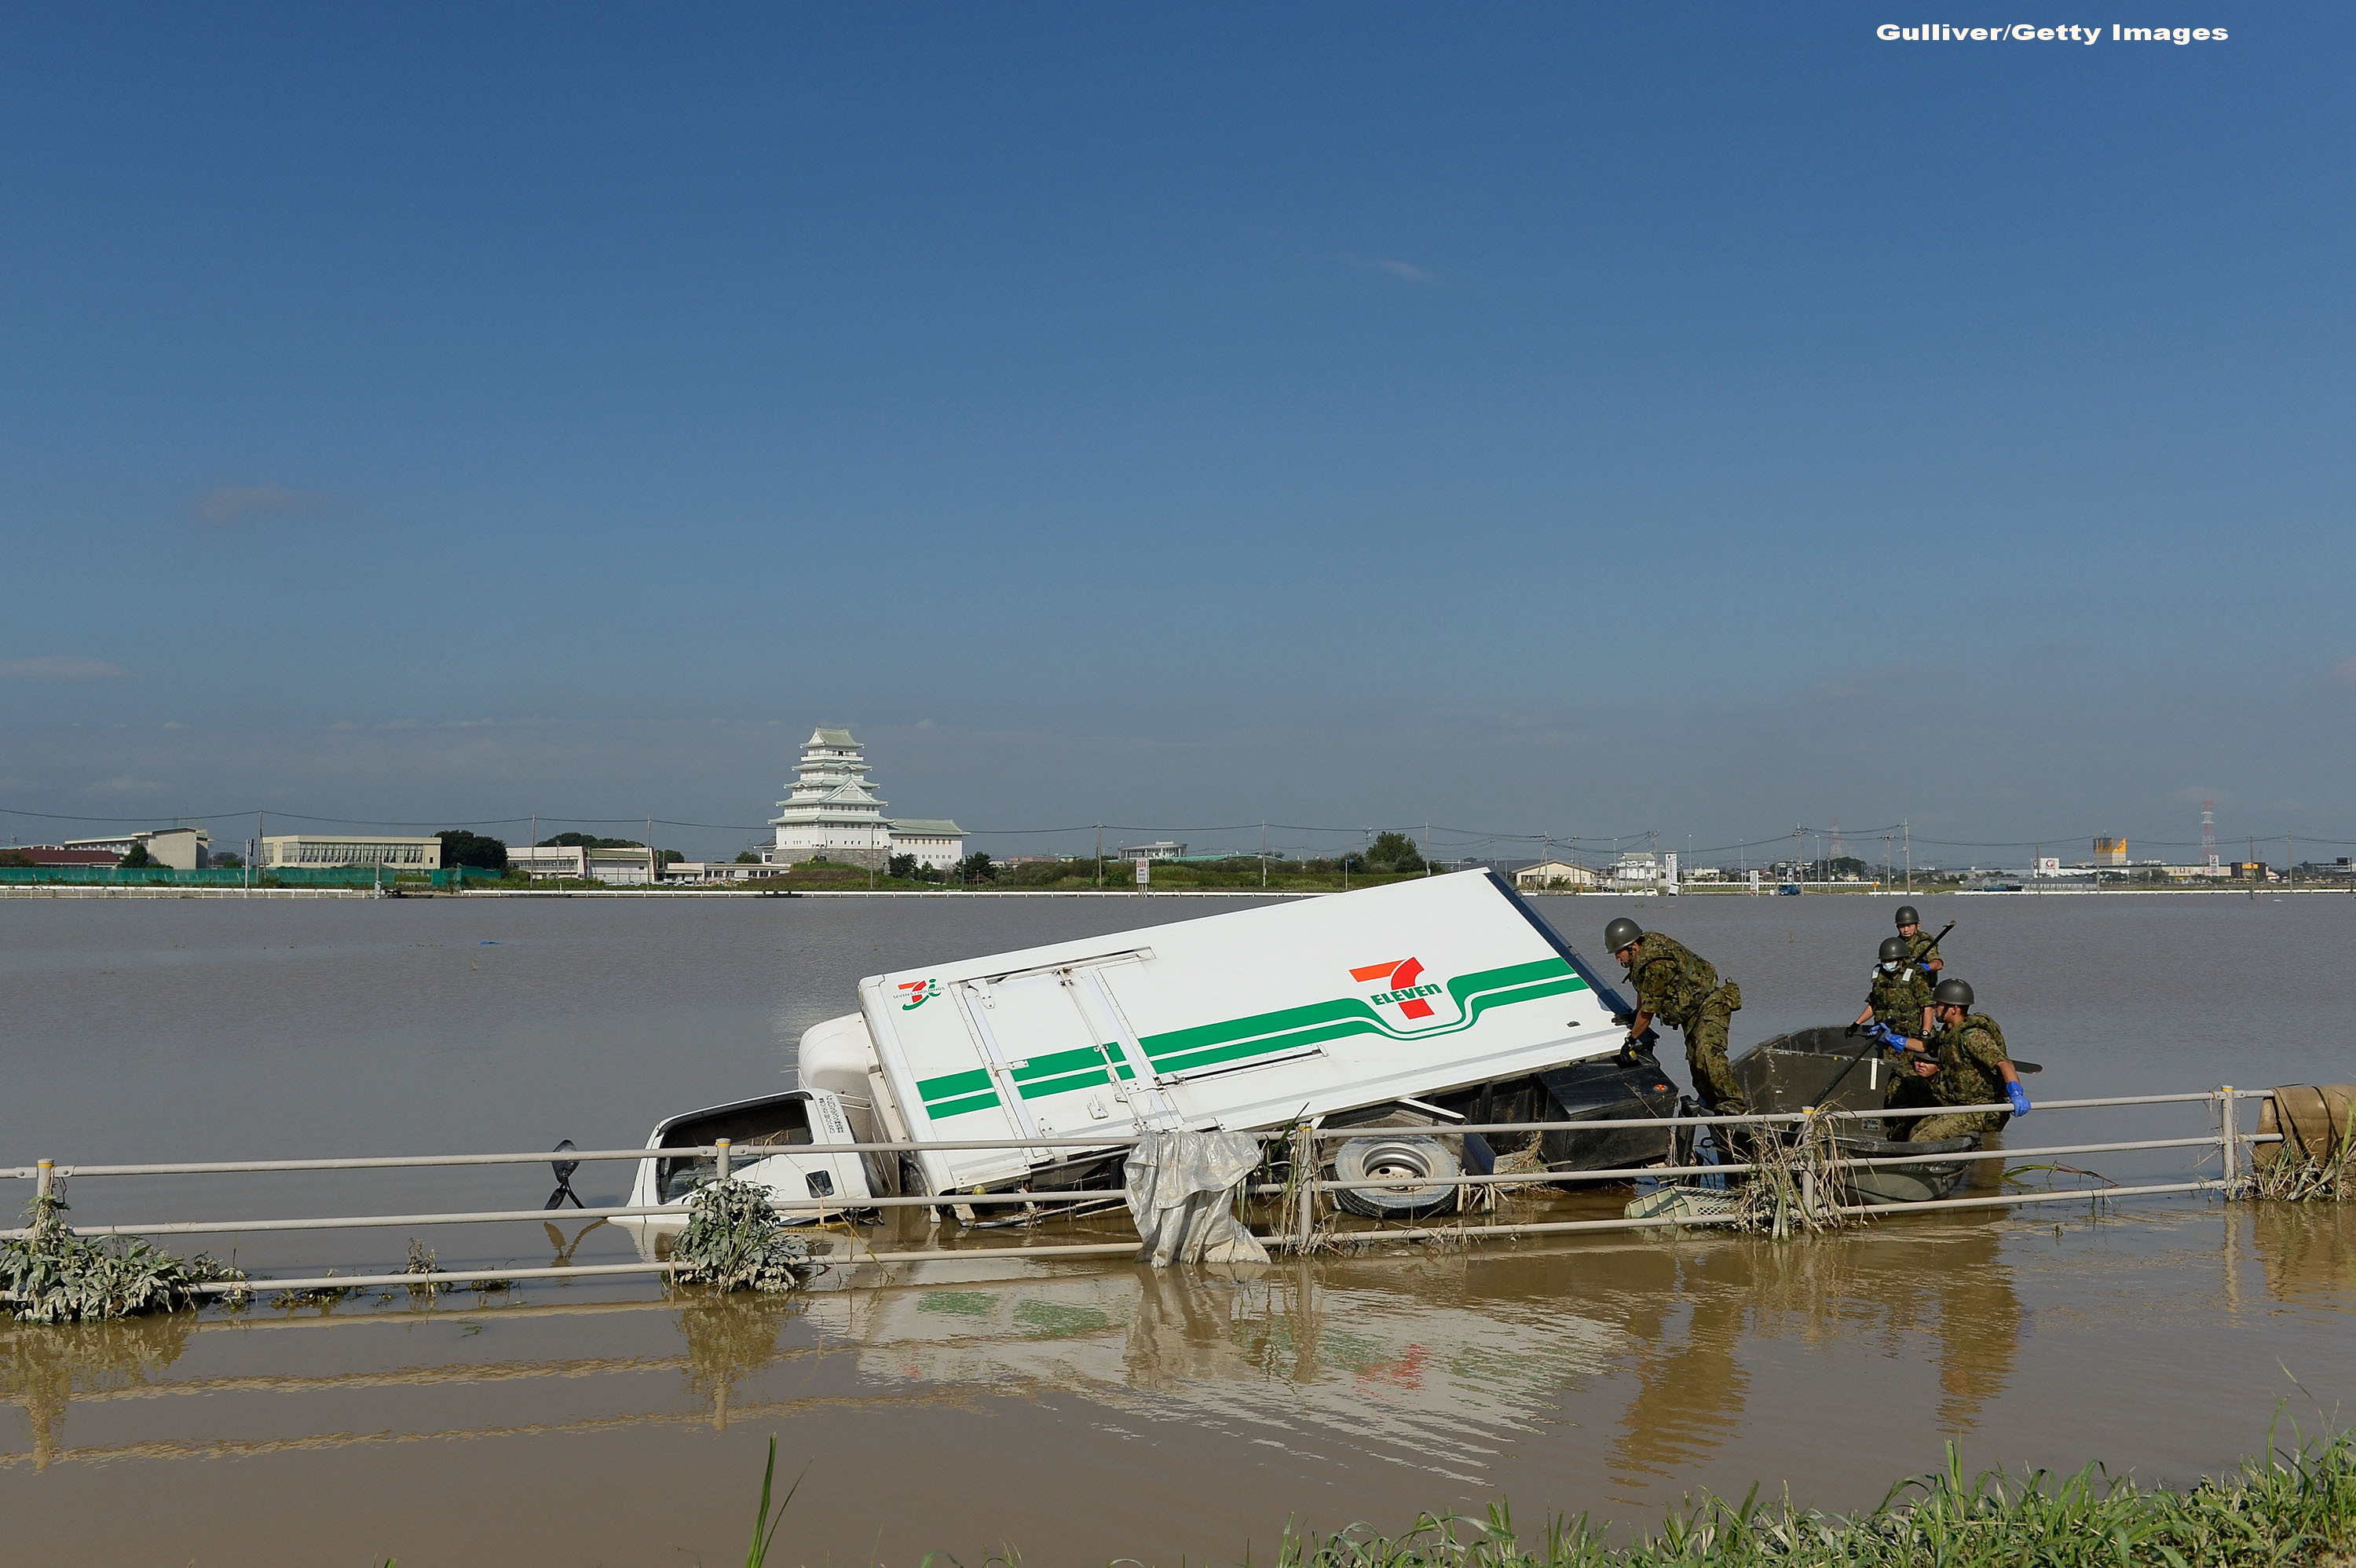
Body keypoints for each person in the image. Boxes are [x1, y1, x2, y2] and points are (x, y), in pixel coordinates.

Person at [1603, 917, 1746, 1116]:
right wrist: (1634, 1017)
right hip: (1691, 1011)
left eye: (1619, 953)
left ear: (1633, 947)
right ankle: (1713, 1103)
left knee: (1707, 1053)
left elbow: (1649, 1011)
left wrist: (1631, 1040)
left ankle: (1735, 1104)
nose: (1618, 958)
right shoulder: (1642, 955)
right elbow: (1644, 992)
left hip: (1709, 1003)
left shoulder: (1655, 964)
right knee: (1696, 1064)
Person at [1885, 978, 2031, 1143]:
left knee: (1923, 1139)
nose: (1934, 1010)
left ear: (1953, 1009)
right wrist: (1894, 1039)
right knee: (1916, 1131)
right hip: (1958, 1106)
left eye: (1938, 1005)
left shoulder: (1973, 1037)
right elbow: (1925, 1046)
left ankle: (1933, 1165)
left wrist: (2016, 1094)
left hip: (1981, 1109)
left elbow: (2004, 1063)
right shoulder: (1949, 1034)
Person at [1854, 935, 1935, 1039]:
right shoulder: (1880, 976)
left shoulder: (1915, 976)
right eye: (1885, 961)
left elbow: (1928, 1007)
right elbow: (1874, 1005)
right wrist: (1857, 1024)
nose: (1888, 964)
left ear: (1901, 960)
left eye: (1891, 961)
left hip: (1909, 1037)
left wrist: (1925, 1032)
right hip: (1884, 1035)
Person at [1894, 905, 1944, 981]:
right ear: (1898, 927)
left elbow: (1938, 964)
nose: (1906, 930)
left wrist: (1924, 967)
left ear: (1917, 926)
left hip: (1922, 985)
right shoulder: (1897, 943)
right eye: (1902, 926)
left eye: (1909, 926)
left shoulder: (1924, 943)